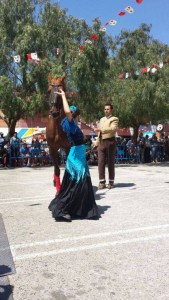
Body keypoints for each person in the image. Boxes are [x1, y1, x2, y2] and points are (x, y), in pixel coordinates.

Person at [48, 89, 99, 222]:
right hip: (76, 157)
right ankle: (63, 210)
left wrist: (90, 146)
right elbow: (66, 112)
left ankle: (81, 209)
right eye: (74, 113)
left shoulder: (72, 125)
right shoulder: (70, 123)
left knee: (82, 183)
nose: (75, 114)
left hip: (79, 155)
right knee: (76, 183)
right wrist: (64, 96)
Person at [93, 103, 119, 189]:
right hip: (101, 142)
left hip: (110, 141)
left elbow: (113, 129)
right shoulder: (101, 119)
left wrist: (101, 129)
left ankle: (111, 181)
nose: (106, 111)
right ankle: (102, 181)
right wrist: (96, 143)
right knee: (100, 162)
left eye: (108, 109)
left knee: (110, 162)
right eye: (105, 109)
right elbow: (100, 133)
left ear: (111, 110)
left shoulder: (114, 119)